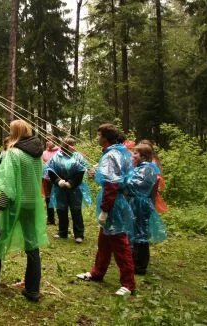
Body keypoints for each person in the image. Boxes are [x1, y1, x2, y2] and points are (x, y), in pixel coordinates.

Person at [0, 120, 48, 302]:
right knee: (32, 245)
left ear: (16, 132)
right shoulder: (36, 155)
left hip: (14, 204)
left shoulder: (14, 154)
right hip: (32, 204)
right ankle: (33, 290)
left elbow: (9, 186)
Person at [76, 123, 135, 296]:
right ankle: (97, 273)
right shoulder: (117, 152)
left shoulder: (112, 155)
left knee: (120, 243)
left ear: (105, 137)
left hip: (113, 203)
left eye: (99, 134)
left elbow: (112, 184)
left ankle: (128, 284)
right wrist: (97, 174)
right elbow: (111, 177)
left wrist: (105, 209)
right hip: (114, 201)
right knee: (104, 242)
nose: (97, 138)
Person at [125, 143, 167, 275]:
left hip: (140, 204)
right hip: (134, 202)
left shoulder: (148, 169)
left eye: (135, 153)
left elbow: (136, 185)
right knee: (133, 231)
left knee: (140, 233)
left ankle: (140, 266)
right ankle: (133, 261)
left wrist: (119, 182)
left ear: (143, 156)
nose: (133, 156)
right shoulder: (139, 167)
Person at [46, 137, 92, 243]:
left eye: (74, 144)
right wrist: (58, 181)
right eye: (71, 145)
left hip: (75, 188)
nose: (74, 147)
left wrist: (71, 183)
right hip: (60, 188)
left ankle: (79, 234)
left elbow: (81, 171)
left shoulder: (78, 157)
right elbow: (50, 170)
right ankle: (62, 232)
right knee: (61, 210)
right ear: (65, 145)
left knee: (76, 210)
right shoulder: (56, 157)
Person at [139, 139, 168, 213]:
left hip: (152, 184)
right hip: (142, 185)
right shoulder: (139, 158)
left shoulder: (154, 159)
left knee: (151, 204)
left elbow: (158, 173)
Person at [42, 138, 60, 225]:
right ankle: (50, 219)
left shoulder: (59, 151)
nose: (47, 142)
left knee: (59, 197)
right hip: (46, 178)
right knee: (48, 198)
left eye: (49, 140)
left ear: (54, 141)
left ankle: (61, 219)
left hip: (57, 178)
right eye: (46, 140)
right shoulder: (44, 153)